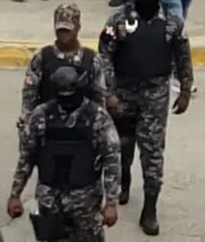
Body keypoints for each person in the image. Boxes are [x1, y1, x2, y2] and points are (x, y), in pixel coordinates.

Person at [99, 0, 192, 233]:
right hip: (124, 91)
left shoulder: (172, 23)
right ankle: (123, 181)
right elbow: (104, 54)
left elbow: (183, 56)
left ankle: (150, 208)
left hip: (155, 94)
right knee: (121, 145)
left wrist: (185, 89)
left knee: (152, 153)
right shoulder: (119, 20)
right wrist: (109, 93)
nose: (147, 1)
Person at [7, 66, 121, 241]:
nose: (66, 101)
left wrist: (111, 203)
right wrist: (15, 194)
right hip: (50, 198)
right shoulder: (41, 115)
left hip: (85, 200)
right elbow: (26, 157)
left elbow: (112, 159)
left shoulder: (97, 117)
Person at [20, 5, 107, 132]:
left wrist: (101, 128)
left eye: (68, 30)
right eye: (60, 30)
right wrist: (27, 123)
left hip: (83, 127)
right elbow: (29, 95)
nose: (63, 35)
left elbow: (99, 97)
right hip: (48, 125)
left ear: (78, 28)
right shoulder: (43, 57)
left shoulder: (91, 59)